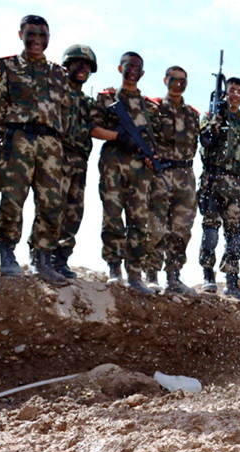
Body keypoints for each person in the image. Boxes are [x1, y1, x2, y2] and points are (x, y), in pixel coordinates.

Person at [0, 15, 70, 285]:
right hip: (19, 138)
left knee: (51, 203)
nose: (36, 40)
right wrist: (4, 134)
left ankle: (42, 258)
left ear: (48, 38)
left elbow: (66, 110)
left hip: (51, 143)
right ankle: (8, 253)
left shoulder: (58, 73)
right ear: (21, 34)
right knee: (13, 197)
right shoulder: (7, 66)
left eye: (42, 35)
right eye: (31, 34)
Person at [89, 51, 161, 295]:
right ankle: (114, 268)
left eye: (137, 67)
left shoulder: (150, 107)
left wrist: (151, 157)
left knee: (140, 220)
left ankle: (135, 273)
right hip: (113, 163)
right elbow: (93, 128)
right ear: (120, 68)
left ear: (142, 73)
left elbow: (155, 141)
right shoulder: (107, 98)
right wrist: (118, 136)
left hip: (141, 170)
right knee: (112, 215)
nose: (132, 71)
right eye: (128, 66)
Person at [198, 77, 240, 299]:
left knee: (235, 236)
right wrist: (217, 116)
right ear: (225, 92)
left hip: (237, 185)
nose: (237, 95)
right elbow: (205, 141)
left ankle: (231, 281)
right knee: (210, 230)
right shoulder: (211, 117)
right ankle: (208, 276)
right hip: (214, 178)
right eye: (233, 90)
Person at [143, 65, 199, 295]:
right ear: (165, 80)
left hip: (185, 176)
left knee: (182, 229)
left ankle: (174, 276)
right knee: (156, 225)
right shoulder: (154, 109)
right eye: (173, 79)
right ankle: (152, 274)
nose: (178, 84)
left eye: (182, 80)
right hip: (161, 173)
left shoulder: (193, 115)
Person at [44, 44, 97, 279]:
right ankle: (42, 256)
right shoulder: (55, 91)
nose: (82, 69)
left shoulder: (87, 101)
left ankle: (61, 258)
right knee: (51, 207)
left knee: (74, 211)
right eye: (78, 63)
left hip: (79, 161)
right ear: (67, 65)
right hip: (57, 157)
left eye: (87, 66)